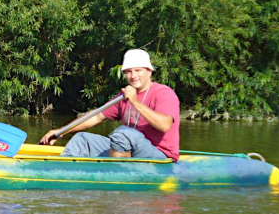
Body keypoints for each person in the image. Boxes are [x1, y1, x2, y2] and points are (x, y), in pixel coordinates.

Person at [39, 49, 180, 160]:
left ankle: (116, 177)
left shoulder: (163, 93)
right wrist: (62, 132)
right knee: (83, 140)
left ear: (149, 72)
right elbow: (96, 116)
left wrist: (135, 102)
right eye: (129, 72)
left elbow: (165, 125)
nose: (133, 76)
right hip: (131, 150)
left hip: (160, 155)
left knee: (123, 133)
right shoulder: (123, 96)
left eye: (138, 70)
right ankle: (62, 174)